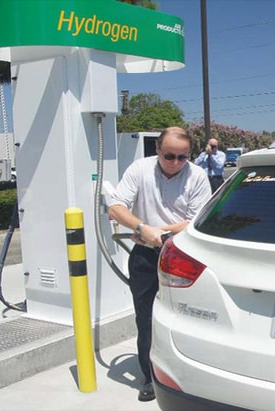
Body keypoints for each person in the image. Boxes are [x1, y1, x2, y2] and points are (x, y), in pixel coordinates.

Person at [108, 126, 212, 402]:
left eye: (183, 157)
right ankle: (150, 376)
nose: (176, 163)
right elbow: (116, 208)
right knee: (146, 319)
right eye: (169, 156)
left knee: (189, 316)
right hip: (145, 256)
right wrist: (142, 227)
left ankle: (189, 372)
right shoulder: (139, 170)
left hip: (184, 256)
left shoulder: (197, 176)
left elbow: (195, 219)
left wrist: (156, 230)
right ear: (157, 150)